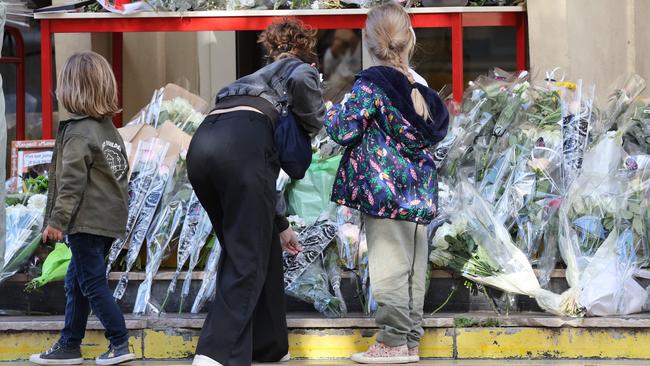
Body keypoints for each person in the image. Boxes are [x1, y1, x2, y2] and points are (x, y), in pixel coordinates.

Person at [187, 18, 325, 366]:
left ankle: (269, 346)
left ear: (270, 48)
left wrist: (279, 224)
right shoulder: (299, 70)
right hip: (242, 148)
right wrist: (315, 119)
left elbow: (262, 172)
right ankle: (212, 354)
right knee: (246, 258)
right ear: (305, 47)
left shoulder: (247, 81)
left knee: (257, 248)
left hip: (203, 146)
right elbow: (300, 87)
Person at [324, 2, 449, 364]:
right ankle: (410, 340)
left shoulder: (371, 85)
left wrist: (333, 107)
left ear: (368, 42)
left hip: (385, 192)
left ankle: (392, 342)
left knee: (389, 267)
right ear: (409, 39)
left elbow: (342, 130)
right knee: (412, 268)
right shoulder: (419, 86)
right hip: (418, 193)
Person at [30, 52, 134, 366]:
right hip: (106, 222)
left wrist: (58, 221)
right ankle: (69, 345)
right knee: (75, 281)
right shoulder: (108, 131)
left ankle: (119, 342)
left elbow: (70, 183)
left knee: (90, 283)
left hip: (85, 223)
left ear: (71, 91)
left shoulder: (77, 132)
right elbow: (120, 174)